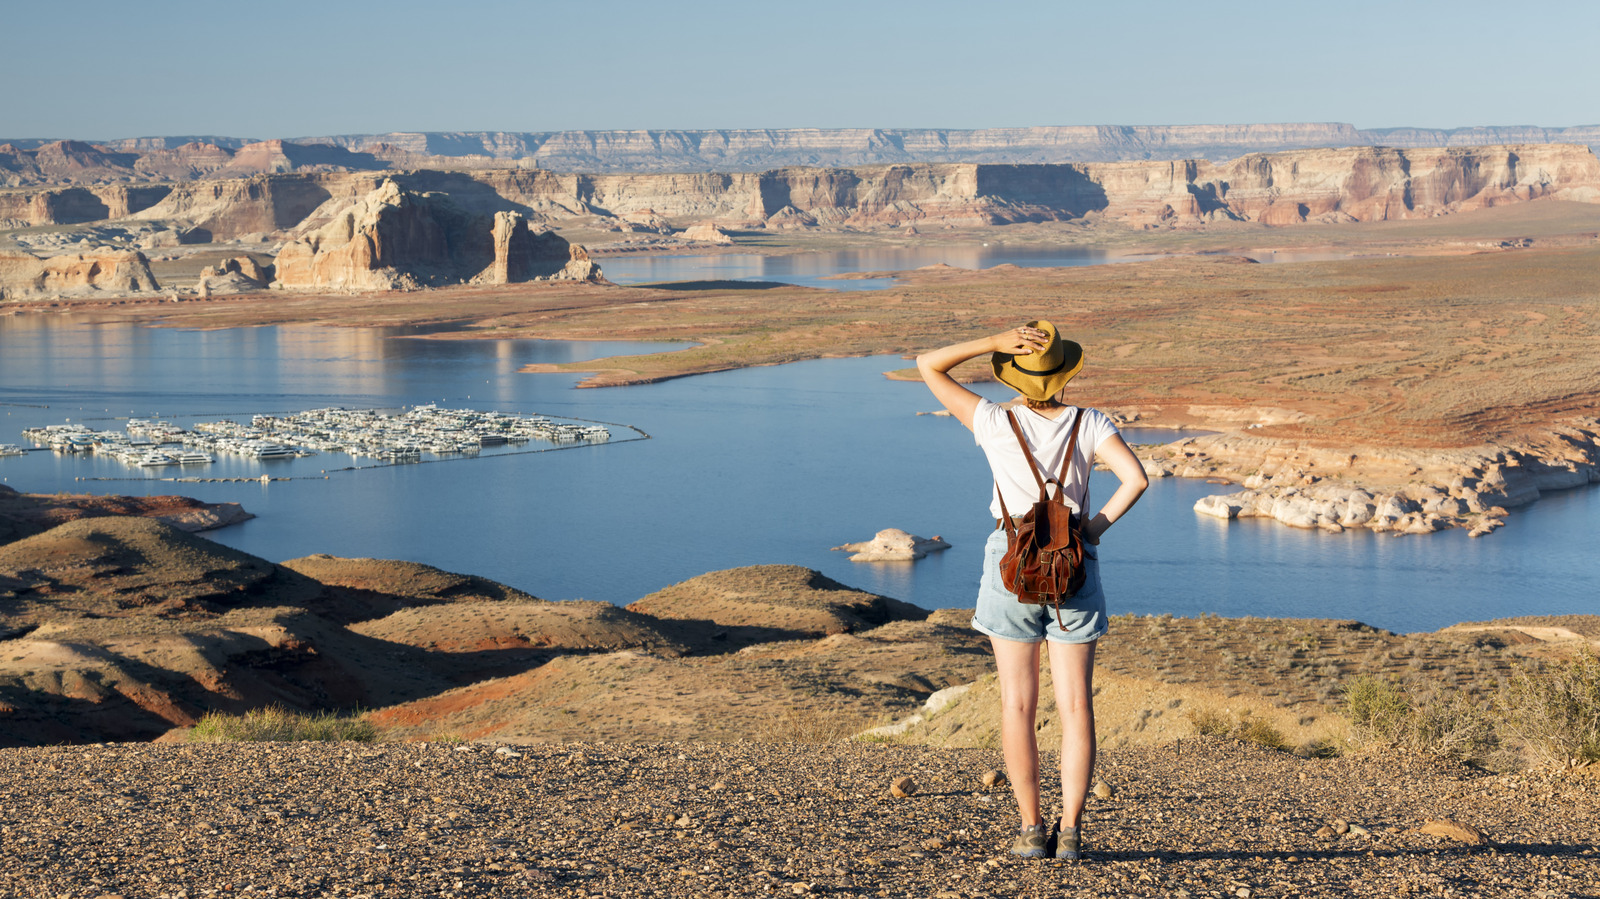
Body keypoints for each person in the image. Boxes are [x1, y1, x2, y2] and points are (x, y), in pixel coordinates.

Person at [916, 320, 1148, 861]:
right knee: (1075, 707)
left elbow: (929, 363)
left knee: (1017, 705)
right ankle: (1070, 833)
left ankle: (1030, 830)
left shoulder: (994, 420)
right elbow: (1135, 479)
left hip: (1010, 567)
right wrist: (1090, 532)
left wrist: (992, 342)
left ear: (1014, 374)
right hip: (1075, 565)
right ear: (1065, 374)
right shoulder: (1090, 422)